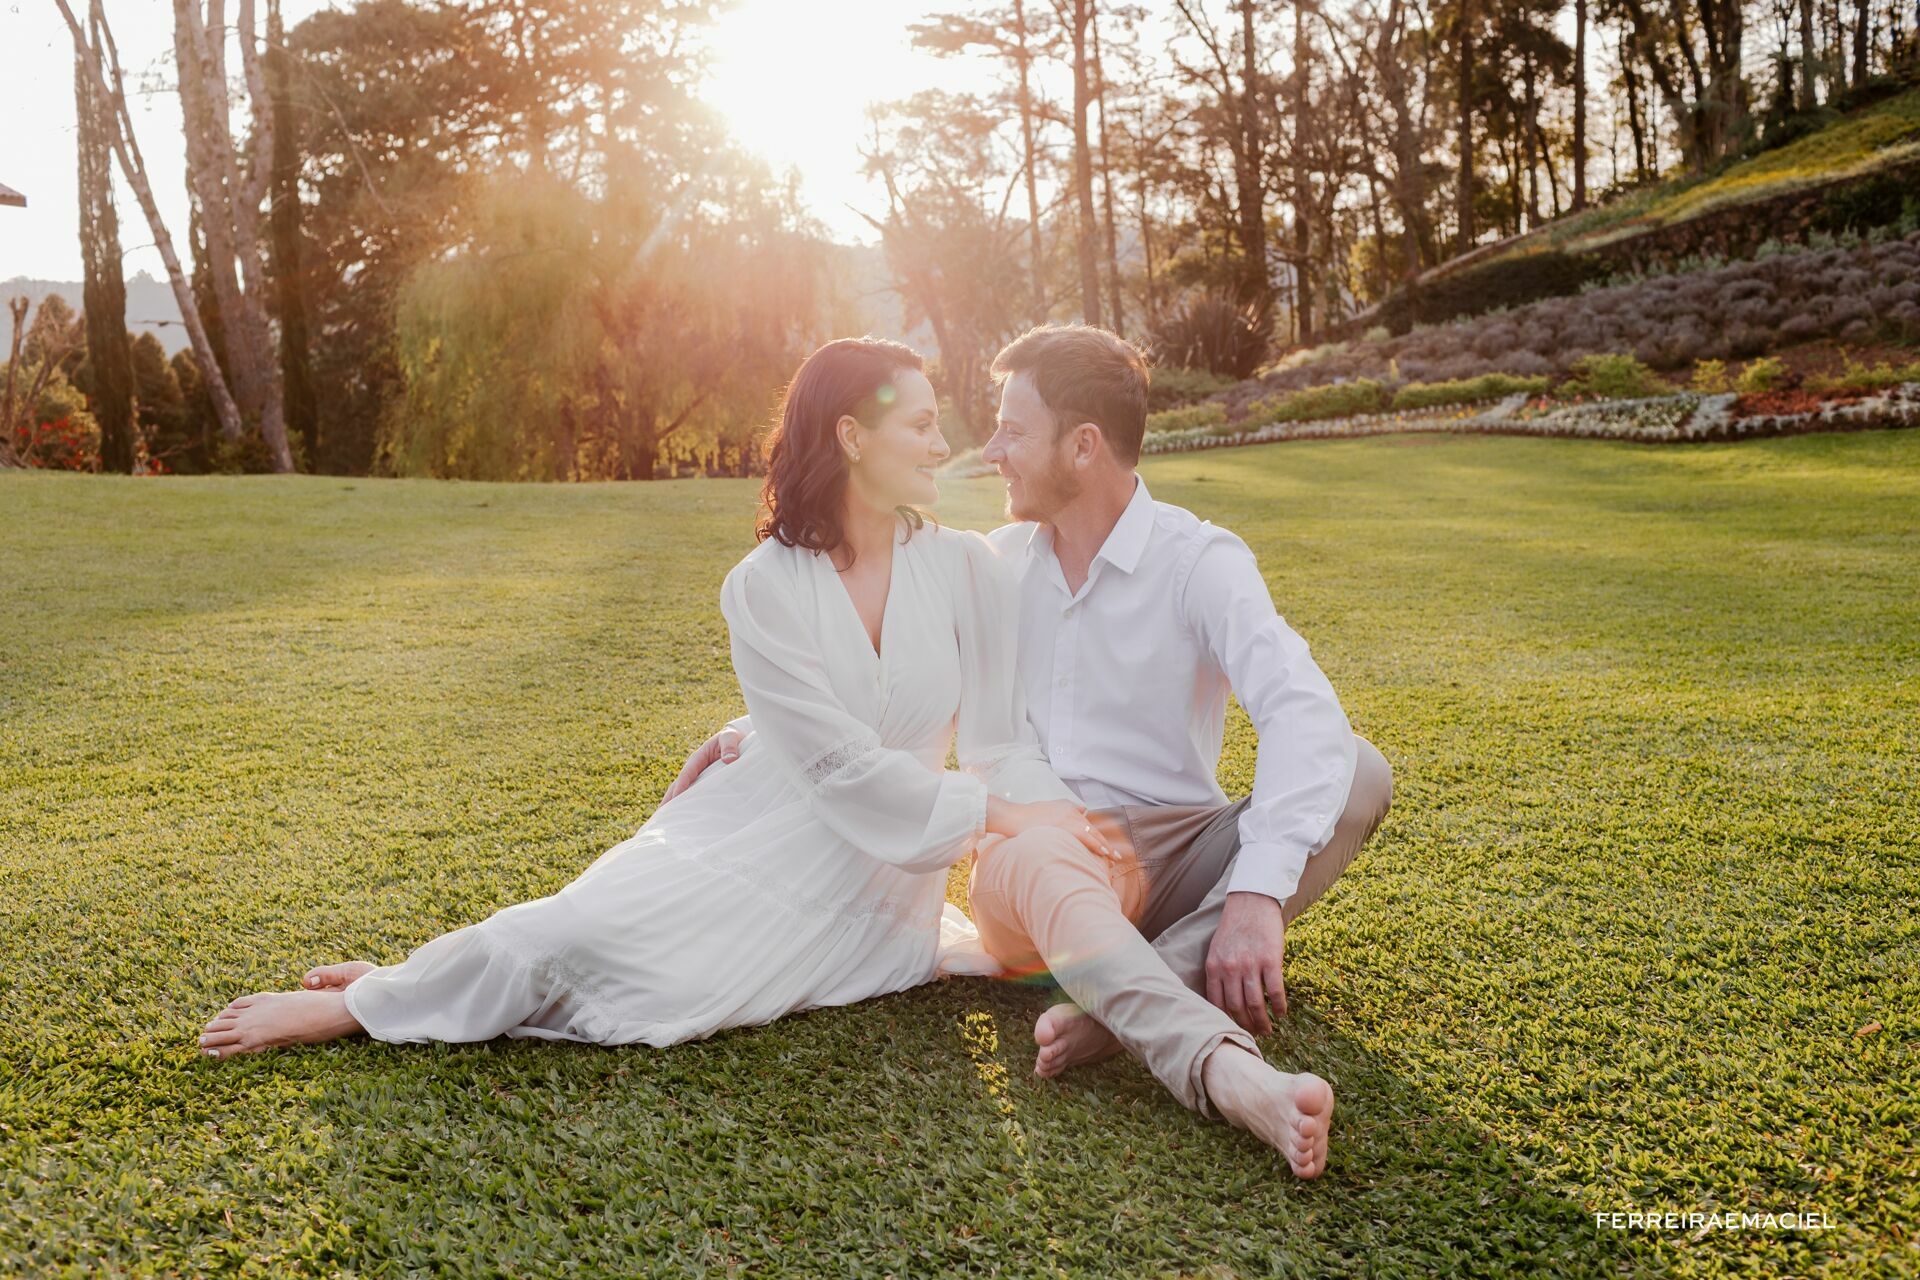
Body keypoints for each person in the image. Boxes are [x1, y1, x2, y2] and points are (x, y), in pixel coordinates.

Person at [196, 337, 1114, 1063]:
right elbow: (836, 764)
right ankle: (367, 1004)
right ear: (850, 435)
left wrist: (1049, 817)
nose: (942, 445)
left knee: (658, 985)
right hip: (766, 827)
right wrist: (998, 813)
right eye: (919, 424)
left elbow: (994, 739)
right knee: (570, 934)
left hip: (876, 893)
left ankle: (413, 982)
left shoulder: (963, 566)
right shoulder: (761, 585)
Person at [677, 325, 1388, 1179]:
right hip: (1041, 850)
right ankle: (1226, 1071)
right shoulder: (995, 563)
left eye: (1013, 430)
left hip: (1181, 843)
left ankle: (1119, 1004)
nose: (990, 452)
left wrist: (1257, 897)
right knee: (1045, 852)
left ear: (1083, 446)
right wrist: (751, 731)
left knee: (1360, 767)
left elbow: (1301, 712)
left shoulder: (1200, 562)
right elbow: (883, 684)